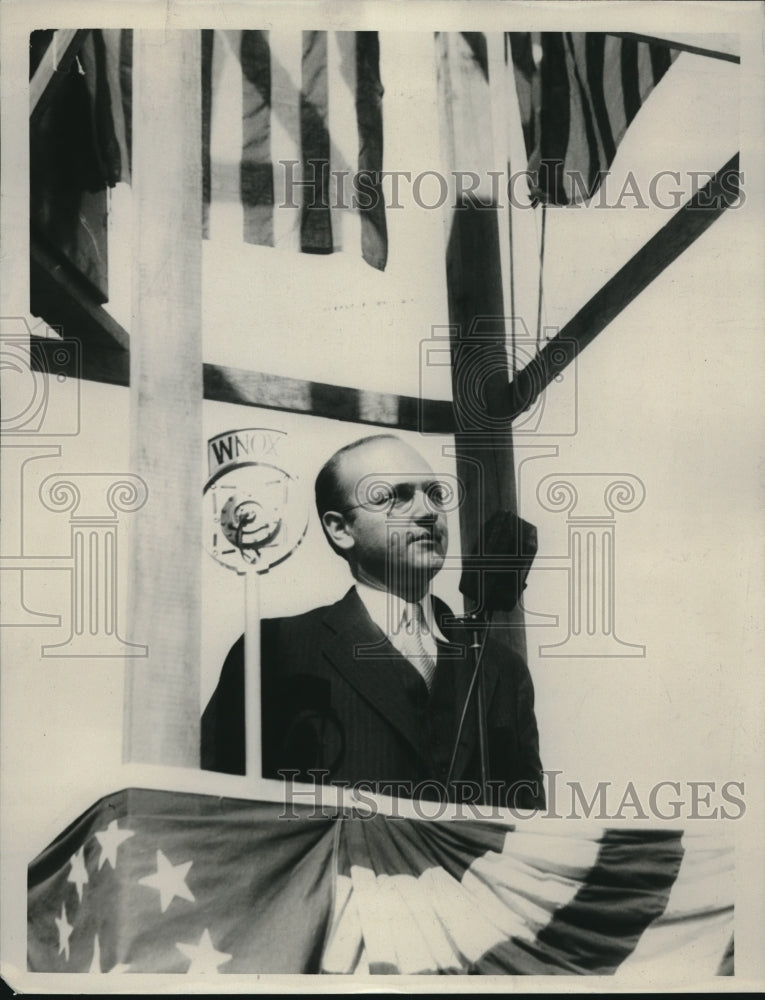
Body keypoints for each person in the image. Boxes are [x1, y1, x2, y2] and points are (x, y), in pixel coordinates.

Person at [201, 434, 545, 808]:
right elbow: (210, 812)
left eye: (435, 494)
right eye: (392, 497)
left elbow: (527, 829)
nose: (426, 512)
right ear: (340, 529)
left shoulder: (501, 670)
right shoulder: (272, 652)